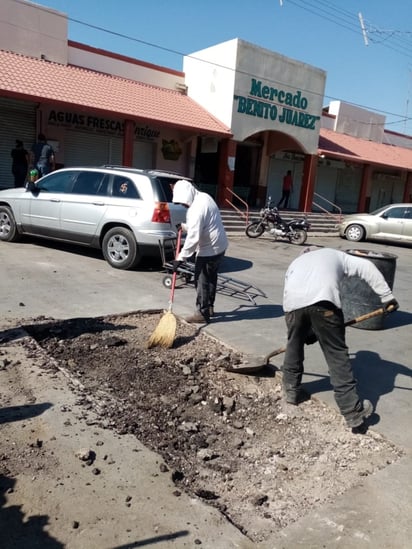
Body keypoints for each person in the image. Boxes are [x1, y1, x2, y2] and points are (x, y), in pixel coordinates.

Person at [281, 246, 399, 430]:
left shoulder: (295, 263)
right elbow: (366, 267)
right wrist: (387, 296)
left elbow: (294, 295)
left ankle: (291, 391)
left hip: (292, 307)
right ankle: (352, 411)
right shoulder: (334, 254)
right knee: (336, 354)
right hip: (324, 303)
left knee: (294, 346)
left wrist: (304, 332)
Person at [172, 179, 228, 324]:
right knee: (211, 277)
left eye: (183, 202)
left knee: (202, 281)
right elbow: (201, 224)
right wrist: (184, 226)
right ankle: (209, 307)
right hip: (220, 246)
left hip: (210, 249)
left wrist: (180, 257)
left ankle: (202, 314)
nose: (183, 205)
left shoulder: (197, 208)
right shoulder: (204, 197)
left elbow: (194, 237)